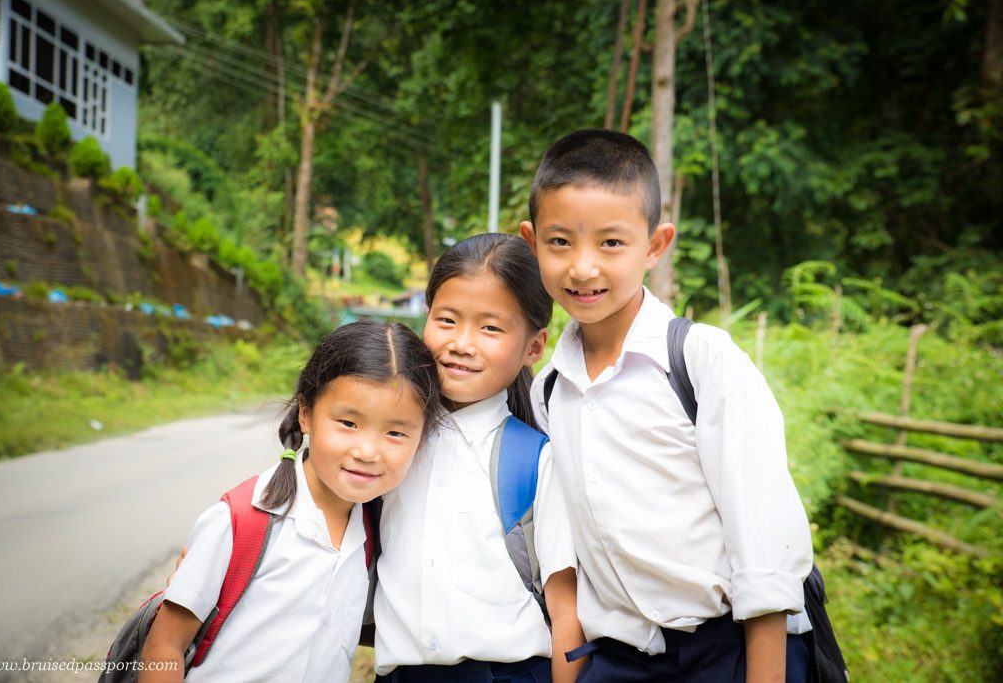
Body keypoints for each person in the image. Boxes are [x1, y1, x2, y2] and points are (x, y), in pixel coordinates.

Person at [519, 129, 814, 683]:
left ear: (654, 246)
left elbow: (764, 536)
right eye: (560, 242)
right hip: (618, 658)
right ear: (532, 241)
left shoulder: (700, 361)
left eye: (611, 243)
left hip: (729, 650)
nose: (583, 268)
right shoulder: (550, 389)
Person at [140, 320, 441, 682]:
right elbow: (164, 647)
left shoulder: (374, 536)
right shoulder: (242, 522)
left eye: (395, 432)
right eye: (348, 423)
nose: (367, 451)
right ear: (306, 413)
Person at [373, 233, 584, 683]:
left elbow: (566, 613)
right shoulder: (388, 443)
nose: (462, 343)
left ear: (533, 347)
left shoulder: (535, 460)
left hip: (506, 674)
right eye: (447, 320)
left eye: (490, 328)